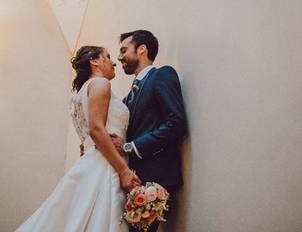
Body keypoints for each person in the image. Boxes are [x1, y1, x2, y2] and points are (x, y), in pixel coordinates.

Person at [16, 45, 139, 231]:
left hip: (91, 162)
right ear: (94, 61)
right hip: (107, 166)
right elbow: (96, 130)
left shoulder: (80, 93)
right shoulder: (100, 83)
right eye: (107, 56)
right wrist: (123, 171)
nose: (113, 61)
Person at [111, 30, 188, 230]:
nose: (119, 57)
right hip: (133, 180)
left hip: (157, 178)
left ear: (142, 49)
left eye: (123, 50)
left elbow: (176, 123)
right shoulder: (130, 95)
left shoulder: (162, 75)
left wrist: (130, 147)